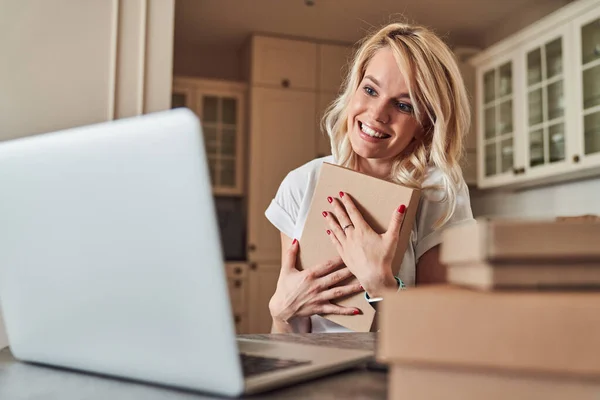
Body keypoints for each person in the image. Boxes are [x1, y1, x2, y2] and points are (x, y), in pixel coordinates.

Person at [264, 22, 474, 333]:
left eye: (403, 105)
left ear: (426, 123)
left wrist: (381, 285)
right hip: (315, 373)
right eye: (371, 89)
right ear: (354, 88)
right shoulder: (302, 184)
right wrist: (281, 313)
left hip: (398, 377)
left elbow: (443, 333)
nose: (377, 114)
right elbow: (289, 337)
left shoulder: (438, 192)